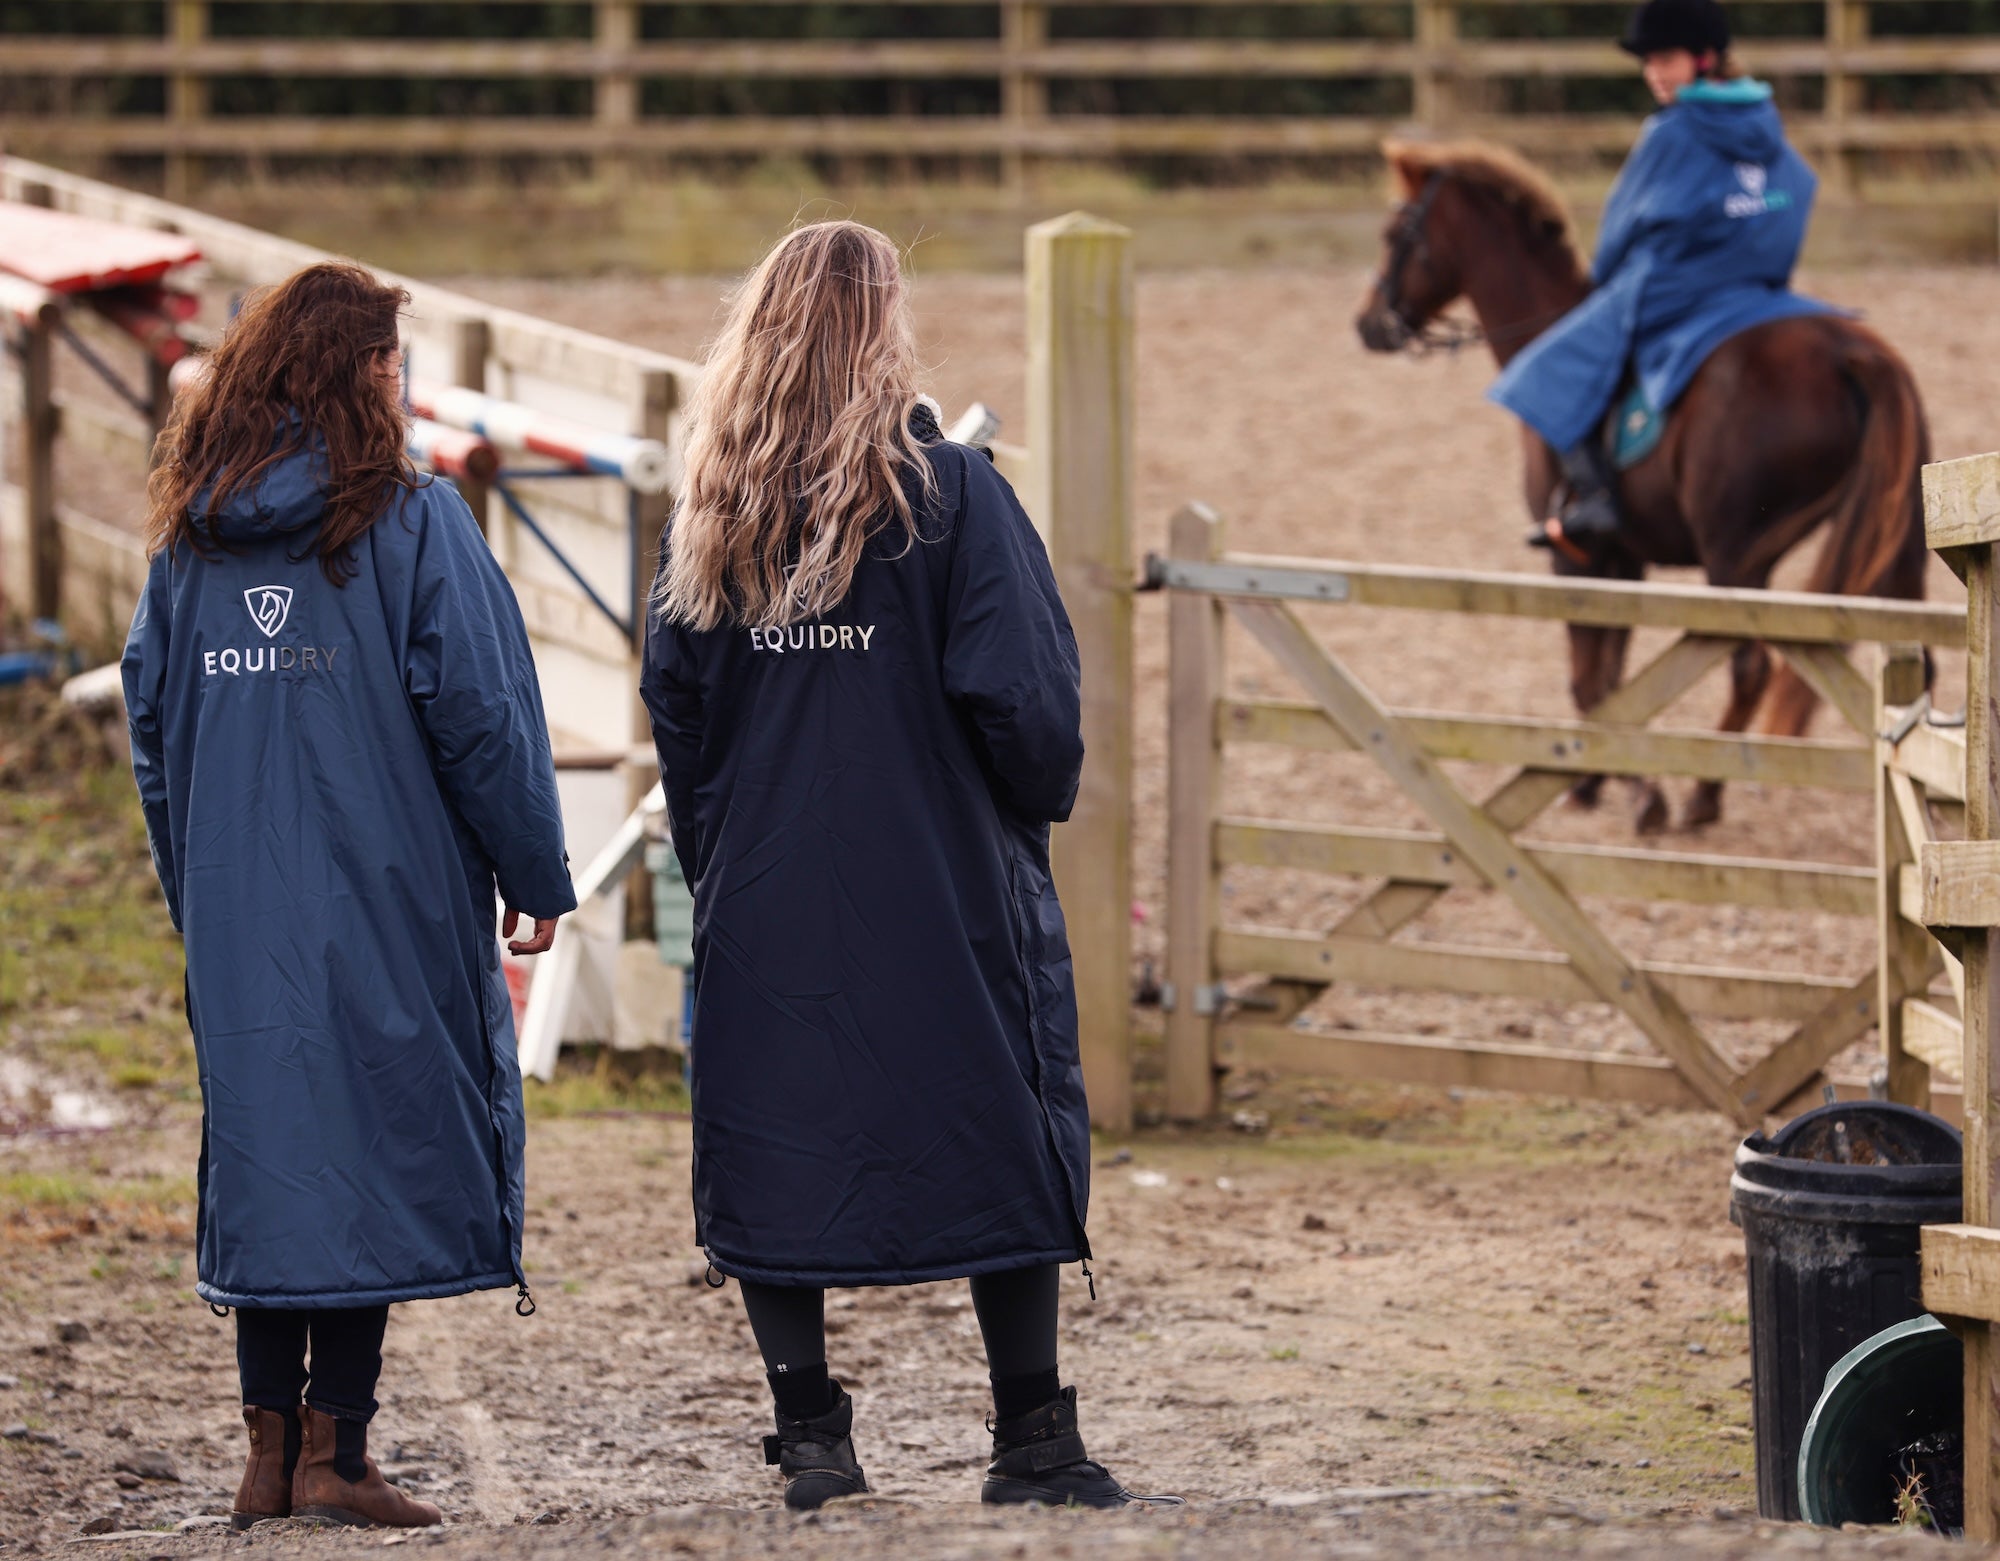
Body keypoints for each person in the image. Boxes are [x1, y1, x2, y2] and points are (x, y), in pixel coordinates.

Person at [641, 221, 1182, 1513]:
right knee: (993, 1111)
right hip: (939, 886)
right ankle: (1033, 1434)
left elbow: (680, 717)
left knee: (779, 1127)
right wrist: (1017, 818)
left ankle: (812, 1434)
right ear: (882, 332)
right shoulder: (954, 497)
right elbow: (1034, 712)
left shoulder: (710, 519)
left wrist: (727, 862)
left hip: (768, 891)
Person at [122, 262, 575, 1529]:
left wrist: (195, 889)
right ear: (361, 373)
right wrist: (536, 873)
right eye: (392, 359)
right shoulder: (413, 526)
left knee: (272, 1153)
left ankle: (267, 1455)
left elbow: (155, 736)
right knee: (368, 1146)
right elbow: (483, 718)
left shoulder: (188, 539)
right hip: (390, 896)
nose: (404, 377)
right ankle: (338, 1451)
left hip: (238, 903)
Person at [1489, 0, 1830, 563]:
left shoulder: (1670, 133)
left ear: (1706, 58)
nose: (1654, 73)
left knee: (1547, 368)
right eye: (1648, 61)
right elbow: (1799, 190)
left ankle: (1594, 499)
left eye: (1666, 59)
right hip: (1756, 286)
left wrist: (1603, 281)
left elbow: (1621, 228)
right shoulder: (1763, 124)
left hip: (1673, 286)